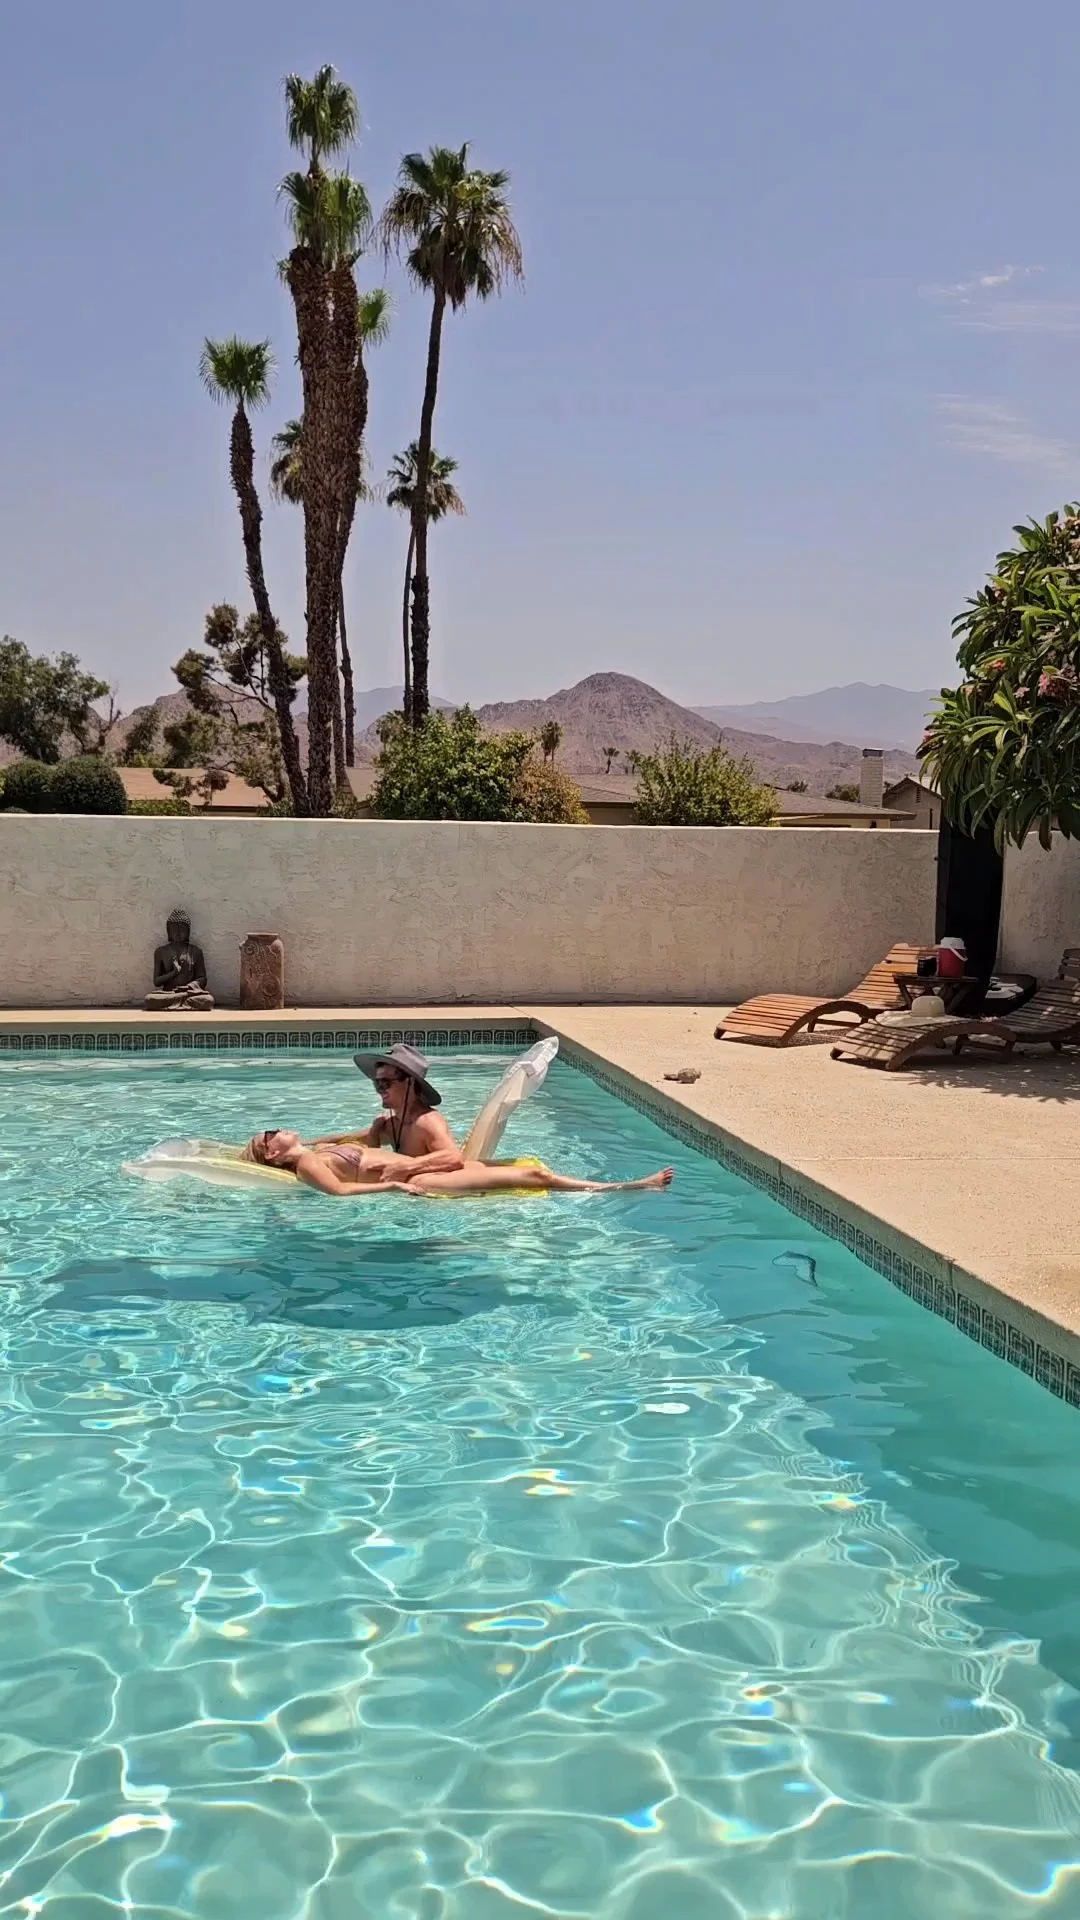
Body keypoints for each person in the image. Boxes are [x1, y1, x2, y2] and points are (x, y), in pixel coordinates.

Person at [242, 1128, 674, 1199]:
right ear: (273, 1154)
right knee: (533, 1176)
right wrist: (391, 1188)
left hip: (419, 1169)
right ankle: (631, 1186)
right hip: (422, 1184)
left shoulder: (314, 1151)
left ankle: (622, 1186)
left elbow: (354, 1141)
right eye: (268, 1136)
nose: (275, 1130)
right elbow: (340, 1193)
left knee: (522, 1172)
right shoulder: (306, 1167)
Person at [312, 1044, 464, 1182]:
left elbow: (453, 1156)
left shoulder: (426, 1121)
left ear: (409, 1082)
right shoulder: (394, 1124)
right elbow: (352, 1137)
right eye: (377, 1083)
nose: (380, 1089)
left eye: (385, 1083)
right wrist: (308, 1144)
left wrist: (404, 1167)